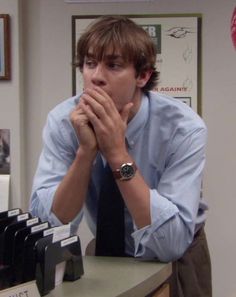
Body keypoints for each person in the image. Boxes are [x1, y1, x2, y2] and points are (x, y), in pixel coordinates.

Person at [30, 15, 211, 296]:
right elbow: (49, 227)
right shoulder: (63, 121)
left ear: (143, 76)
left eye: (113, 65)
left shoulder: (183, 128)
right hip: (106, 250)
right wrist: (85, 153)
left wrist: (117, 154)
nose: (96, 77)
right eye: (90, 64)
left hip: (178, 255)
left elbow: (169, 242)